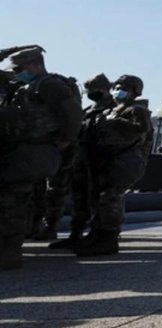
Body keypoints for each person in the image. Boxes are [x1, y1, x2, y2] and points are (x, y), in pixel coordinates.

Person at [0, 46, 82, 270]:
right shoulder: (31, 86)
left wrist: (66, 138)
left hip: (34, 151)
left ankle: (9, 254)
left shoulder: (49, 84)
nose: (15, 72)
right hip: (27, 149)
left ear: (35, 64)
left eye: (19, 68)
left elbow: (73, 113)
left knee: (12, 199)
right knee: (10, 198)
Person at [74, 75, 153, 257]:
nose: (119, 90)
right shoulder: (115, 109)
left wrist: (112, 124)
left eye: (124, 88)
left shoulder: (137, 110)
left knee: (110, 199)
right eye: (117, 86)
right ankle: (97, 234)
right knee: (99, 199)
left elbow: (138, 132)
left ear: (135, 92)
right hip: (106, 161)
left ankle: (108, 239)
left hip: (122, 162)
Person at [48, 74, 115, 251]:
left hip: (100, 161)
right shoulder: (89, 109)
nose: (90, 94)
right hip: (81, 159)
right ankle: (75, 234)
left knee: (98, 199)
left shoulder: (114, 108)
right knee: (79, 198)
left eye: (94, 90)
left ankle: (97, 236)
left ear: (105, 89)